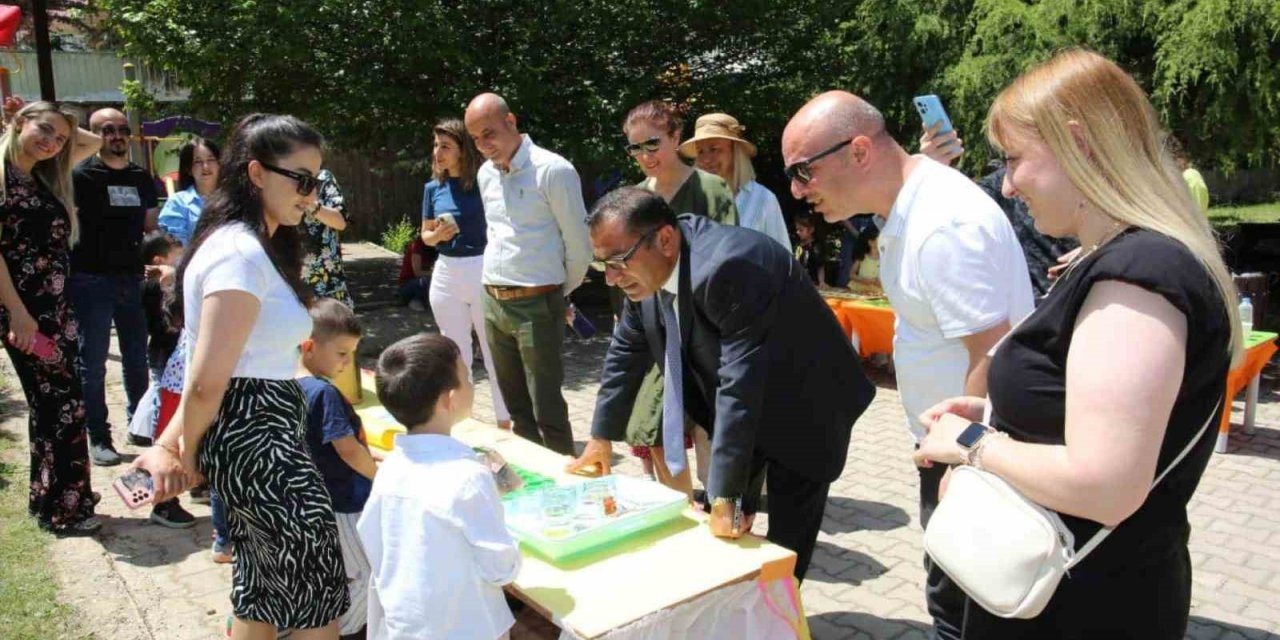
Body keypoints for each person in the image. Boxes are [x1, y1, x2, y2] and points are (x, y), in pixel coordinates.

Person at [914, 48, 1241, 639]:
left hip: (1082, 608)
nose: (1007, 184)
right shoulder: (1124, 262)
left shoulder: (1138, 275)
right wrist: (998, 410)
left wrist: (970, 443)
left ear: (1079, 144)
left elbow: (1104, 484)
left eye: (1014, 159)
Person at [783, 91, 1034, 637]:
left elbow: (992, 351)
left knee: (961, 613)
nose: (798, 191)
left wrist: (964, 464)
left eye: (803, 171)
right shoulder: (913, 206)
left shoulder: (940, 224)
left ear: (859, 151)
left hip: (971, 456)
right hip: (958, 447)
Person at [568, 188, 875, 580]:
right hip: (746, 406)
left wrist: (727, 494)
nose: (611, 279)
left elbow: (738, 384)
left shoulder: (730, 266)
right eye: (603, 266)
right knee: (729, 524)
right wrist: (601, 437)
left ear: (665, 239)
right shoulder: (644, 269)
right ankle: (744, 600)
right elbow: (626, 351)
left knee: (785, 546)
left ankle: (781, 606)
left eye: (617, 262)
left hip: (805, 403)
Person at [130, 114, 348, 639]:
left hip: (258, 433)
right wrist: (184, 453)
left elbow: (215, 371)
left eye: (316, 181)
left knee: (262, 586)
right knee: (317, 592)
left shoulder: (247, 246)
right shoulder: (239, 254)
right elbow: (209, 379)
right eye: (301, 179)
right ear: (256, 173)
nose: (310, 194)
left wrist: (173, 443)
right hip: (256, 439)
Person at [359, 333, 521, 639]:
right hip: (467, 628)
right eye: (467, 377)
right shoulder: (468, 476)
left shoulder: (391, 467)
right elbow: (500, 568)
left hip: (404, 626)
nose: (472, 385)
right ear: (449, 399)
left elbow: (373, 539)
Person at [621, 100, 740, 491]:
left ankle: (723, 508)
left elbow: (728, 259)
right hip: (658, 333)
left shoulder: (711, 188)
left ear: (675, 137)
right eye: (635, 148)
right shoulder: (635, 199)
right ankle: (685, 509)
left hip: (707, 330)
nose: (645, 155)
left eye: (652, 144)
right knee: (650, 427)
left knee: (715, 438)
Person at [464, 93, 591, 455]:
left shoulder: (553, 171)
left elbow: (579, 246)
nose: (483, 145)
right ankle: (531, 479)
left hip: (537, 301)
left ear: (511, 122)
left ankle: (565, 477)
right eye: (475, 139)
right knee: (514, 407)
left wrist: (554, 291)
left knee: (547, 408)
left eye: (489, 133)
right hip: (492, 300)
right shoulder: (486, 173)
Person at [0, 99, 104, 535]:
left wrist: (56, 127)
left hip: (56, 310)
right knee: (62, 406)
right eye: (44, 130)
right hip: (25, 313)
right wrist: (18, 315)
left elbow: (93, 142)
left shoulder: (41, 175)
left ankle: (54, 498)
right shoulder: (3, 177)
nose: (53, 142)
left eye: (60, 138)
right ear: (19, 122)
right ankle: (65, 508)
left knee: (54, 406)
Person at [71, 108, 161, 467]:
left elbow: (150, 226)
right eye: (107, 130)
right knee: (92, 363)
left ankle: (139, 425)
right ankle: (98, 435)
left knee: (136, 359)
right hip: (90, 280)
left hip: (132, 279)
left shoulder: (141, 177)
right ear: (94, 135)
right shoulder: (80, 175)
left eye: (122, 129)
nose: (117, 136)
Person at [421, 117, 511, 430]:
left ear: (463, 149)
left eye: (445, 146)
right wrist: (437, 236)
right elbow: (425, 236)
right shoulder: (432, 188)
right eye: (436, 145)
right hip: (446, 273)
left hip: (483, 268)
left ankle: (506, 423)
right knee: (455, 356)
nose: (437, 152)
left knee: (494, 352)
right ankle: (463, 424)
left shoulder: (486, 182)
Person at [919, 125, 1077, 298]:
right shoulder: (998, 188)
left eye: (1014, 158)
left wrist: (1094, 250)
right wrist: (933, 173)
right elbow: (950, 216)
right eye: (1008, 159)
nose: (1007, 190)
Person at [299, 298, 376, 639]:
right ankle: (342, 630)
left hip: (317, 501)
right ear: (309, 346)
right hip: (344, 502)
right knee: (367, 576)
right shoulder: (323, 392)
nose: (346, 363)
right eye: (342, 353)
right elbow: (347, 449)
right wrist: (379, 476)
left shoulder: (284, 385)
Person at [136, 230, 197, 528]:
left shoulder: (175, 281)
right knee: (164, 436)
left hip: (182, 373)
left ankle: (195, 484)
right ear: (160, 260)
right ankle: (159, 502)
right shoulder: (154, 287)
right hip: (174, 374)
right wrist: (171, 281)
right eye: (177, 257)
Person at [683, 112, 790, 249]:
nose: (706, 160)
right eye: (700, 152)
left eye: (714, 149)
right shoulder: (688, 200)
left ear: (735, 151)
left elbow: (783, 255)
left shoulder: (762, 199)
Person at [301, 169, 353, 306]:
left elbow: (340, 222)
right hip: (292, 284)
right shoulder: (279, 179)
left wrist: (310, 204)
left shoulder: (323, 178)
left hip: (329, 282)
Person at [157, 137, 221, 244]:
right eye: (198, 162)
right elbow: (176, 247)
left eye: (211, 160)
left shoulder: (233, 199)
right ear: (188, 169)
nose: (205, 166)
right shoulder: (178, 203)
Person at [395, 235, 434, 311]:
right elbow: (417, 273)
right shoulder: (417, 246)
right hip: (406, 285)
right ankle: (415, 300)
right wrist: (436, 273)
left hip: (418, 283)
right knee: (428, 280)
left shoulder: (434, 248)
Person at [793, 213, 826, 286]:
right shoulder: (797, 245)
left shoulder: (816, 247)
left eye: (801, 230)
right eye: (797, 229)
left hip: (811, 282)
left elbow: (820, 266)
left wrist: (821, 281)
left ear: (811, 230)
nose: (797, 232)